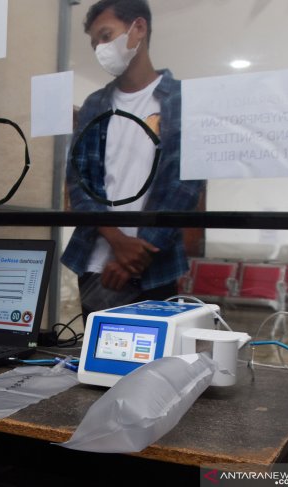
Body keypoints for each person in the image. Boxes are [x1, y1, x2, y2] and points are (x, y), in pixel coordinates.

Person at [62, 0, 204, 318]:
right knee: (99, 361)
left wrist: (135, 255)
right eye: (94, 41)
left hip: (156, 263)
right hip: (94, 262)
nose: (100, 47)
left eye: (105, 35)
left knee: (154, 363)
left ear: (138, 28)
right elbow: (79, 180)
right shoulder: (94, 104)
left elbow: (184, 188)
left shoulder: (183, 100)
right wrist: (117, 240)